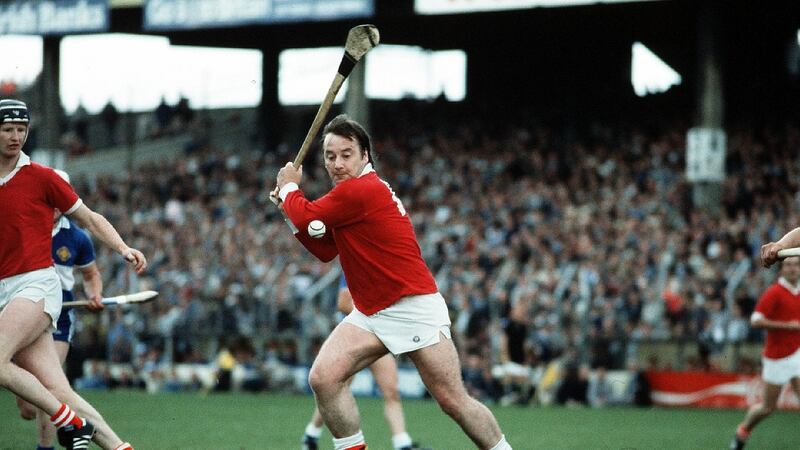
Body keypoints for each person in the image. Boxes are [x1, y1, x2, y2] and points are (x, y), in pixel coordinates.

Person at [273, 114, 512, 450]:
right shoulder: (348, 195)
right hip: (373, 312)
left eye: (346, 154)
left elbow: (309, 217)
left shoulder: (361, 189)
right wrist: (288, 209)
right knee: (324, 378)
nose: (338, 164)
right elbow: (324, 248)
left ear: (364, 156)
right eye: (330, 156)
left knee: (453, 401)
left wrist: (288, 186)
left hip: (411, 305)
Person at [0, 99, 146, 450]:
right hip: (6, 290)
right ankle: (118, 446)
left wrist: (123, 248)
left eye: (21, 129)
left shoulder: (42, 178)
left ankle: (69, 422)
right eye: (7, 129)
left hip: (36, 284)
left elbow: (91, 218)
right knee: (58, 388)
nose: (15, 136)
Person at [14, 168, 106, 450]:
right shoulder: (23, 228)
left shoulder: (77, 238)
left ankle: (47, 447)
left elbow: (91, 276)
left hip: (60, 316)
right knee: (27, 408)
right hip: (24, 311)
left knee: (48, 385)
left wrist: (95, 295)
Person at [301, 275, 427, 450]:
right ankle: (311, 435)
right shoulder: (355, 259)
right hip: (352, 340)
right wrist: (378, 319)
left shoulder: (382, 265)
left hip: (376, 337)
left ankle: (402, 444)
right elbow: (343, 303)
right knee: (333, 391)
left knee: (391, 391)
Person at [729, 256, 800, 450]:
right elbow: (755, 320)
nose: (793, 269)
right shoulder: (774, 292)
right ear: (782, 269)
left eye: (796, 265)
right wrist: (786, 326)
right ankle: (743, 430)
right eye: (789, 265)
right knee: (768, 408)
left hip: (797, 354)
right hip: (777, 358)